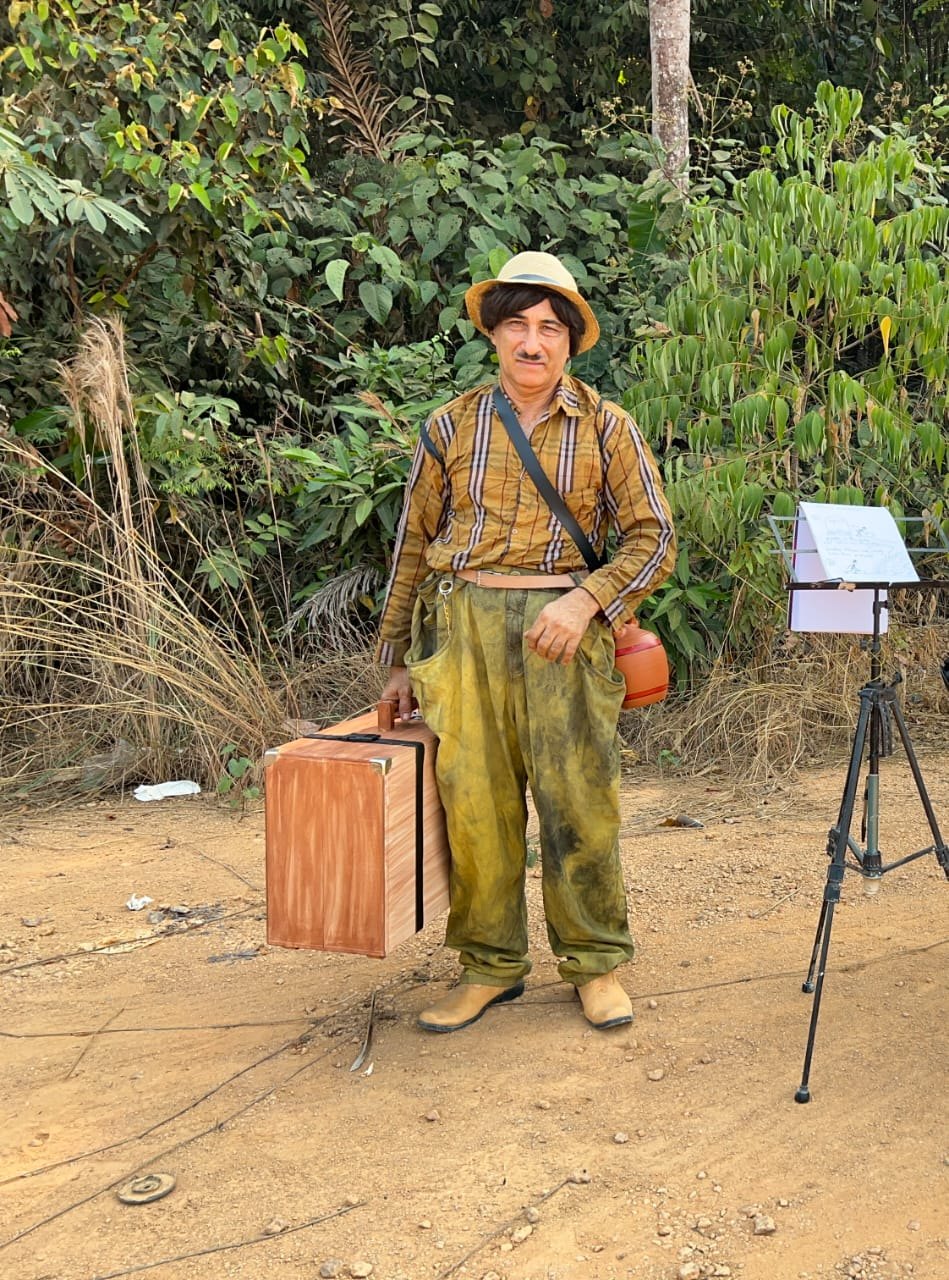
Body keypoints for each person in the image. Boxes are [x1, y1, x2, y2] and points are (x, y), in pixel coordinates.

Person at [377, 251, 676, 1033]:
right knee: (472, 804)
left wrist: (585, 602)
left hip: (563, 635)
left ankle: (595, 963)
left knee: (578, 798)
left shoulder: (607, 427)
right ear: (493, 336)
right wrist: (395, 661)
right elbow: (412, 545)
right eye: (517, 325)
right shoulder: (450, 425)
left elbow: (652, 539)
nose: (532, 342)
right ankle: (488, 966)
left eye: (549, 327)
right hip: (462, 629)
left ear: (571, 343)